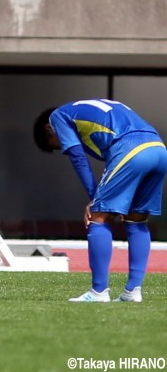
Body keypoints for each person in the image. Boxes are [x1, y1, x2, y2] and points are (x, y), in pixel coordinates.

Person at [33, 99, 167, 302]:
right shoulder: (91, 108)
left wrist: (94, 198)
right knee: (136, 219)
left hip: (131, 149)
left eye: (57, 144)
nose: (64, 146)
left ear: (49, 129)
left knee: (97, 216)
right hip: (158, 148)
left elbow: (78, 158)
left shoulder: (58, 117)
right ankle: (133, 291)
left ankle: (98, 292)